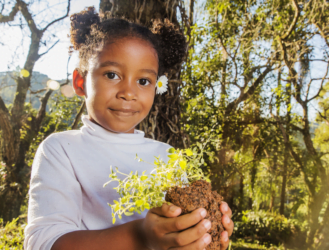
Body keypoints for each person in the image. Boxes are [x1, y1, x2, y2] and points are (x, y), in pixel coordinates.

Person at [24, 6, 234, 250]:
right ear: (80, 82)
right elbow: (43, 243)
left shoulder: (168, 156)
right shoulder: (61, 150)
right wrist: (140, 236)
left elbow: (178, 233)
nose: (128, 93)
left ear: (157, 86)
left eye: (143, 81)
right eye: (112, 75)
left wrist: (204, 232)